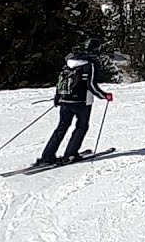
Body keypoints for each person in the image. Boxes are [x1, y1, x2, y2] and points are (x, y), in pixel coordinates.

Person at [38, 38, 112, 166]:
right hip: (82, 102)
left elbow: (60, 82)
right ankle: (70, 154)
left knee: (61, 127)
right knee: (81, 127)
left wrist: (58, 97)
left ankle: (47, 156)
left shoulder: (68, 63)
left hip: (65, 100)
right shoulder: (89, 65)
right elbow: (91, 85)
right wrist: (104, 95)